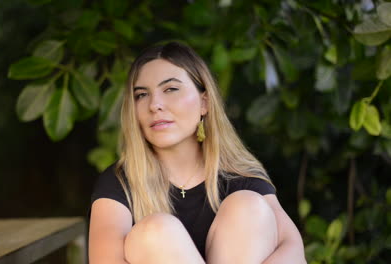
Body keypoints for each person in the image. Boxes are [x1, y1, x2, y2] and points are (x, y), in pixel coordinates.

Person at [88, 41, 306, 264]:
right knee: (156, 231)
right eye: (142, 95)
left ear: (204, 103)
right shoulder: (119, 182)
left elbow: (294, 252)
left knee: (249, 206)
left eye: (170, 89)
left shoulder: (239, 175)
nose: (155, 105)